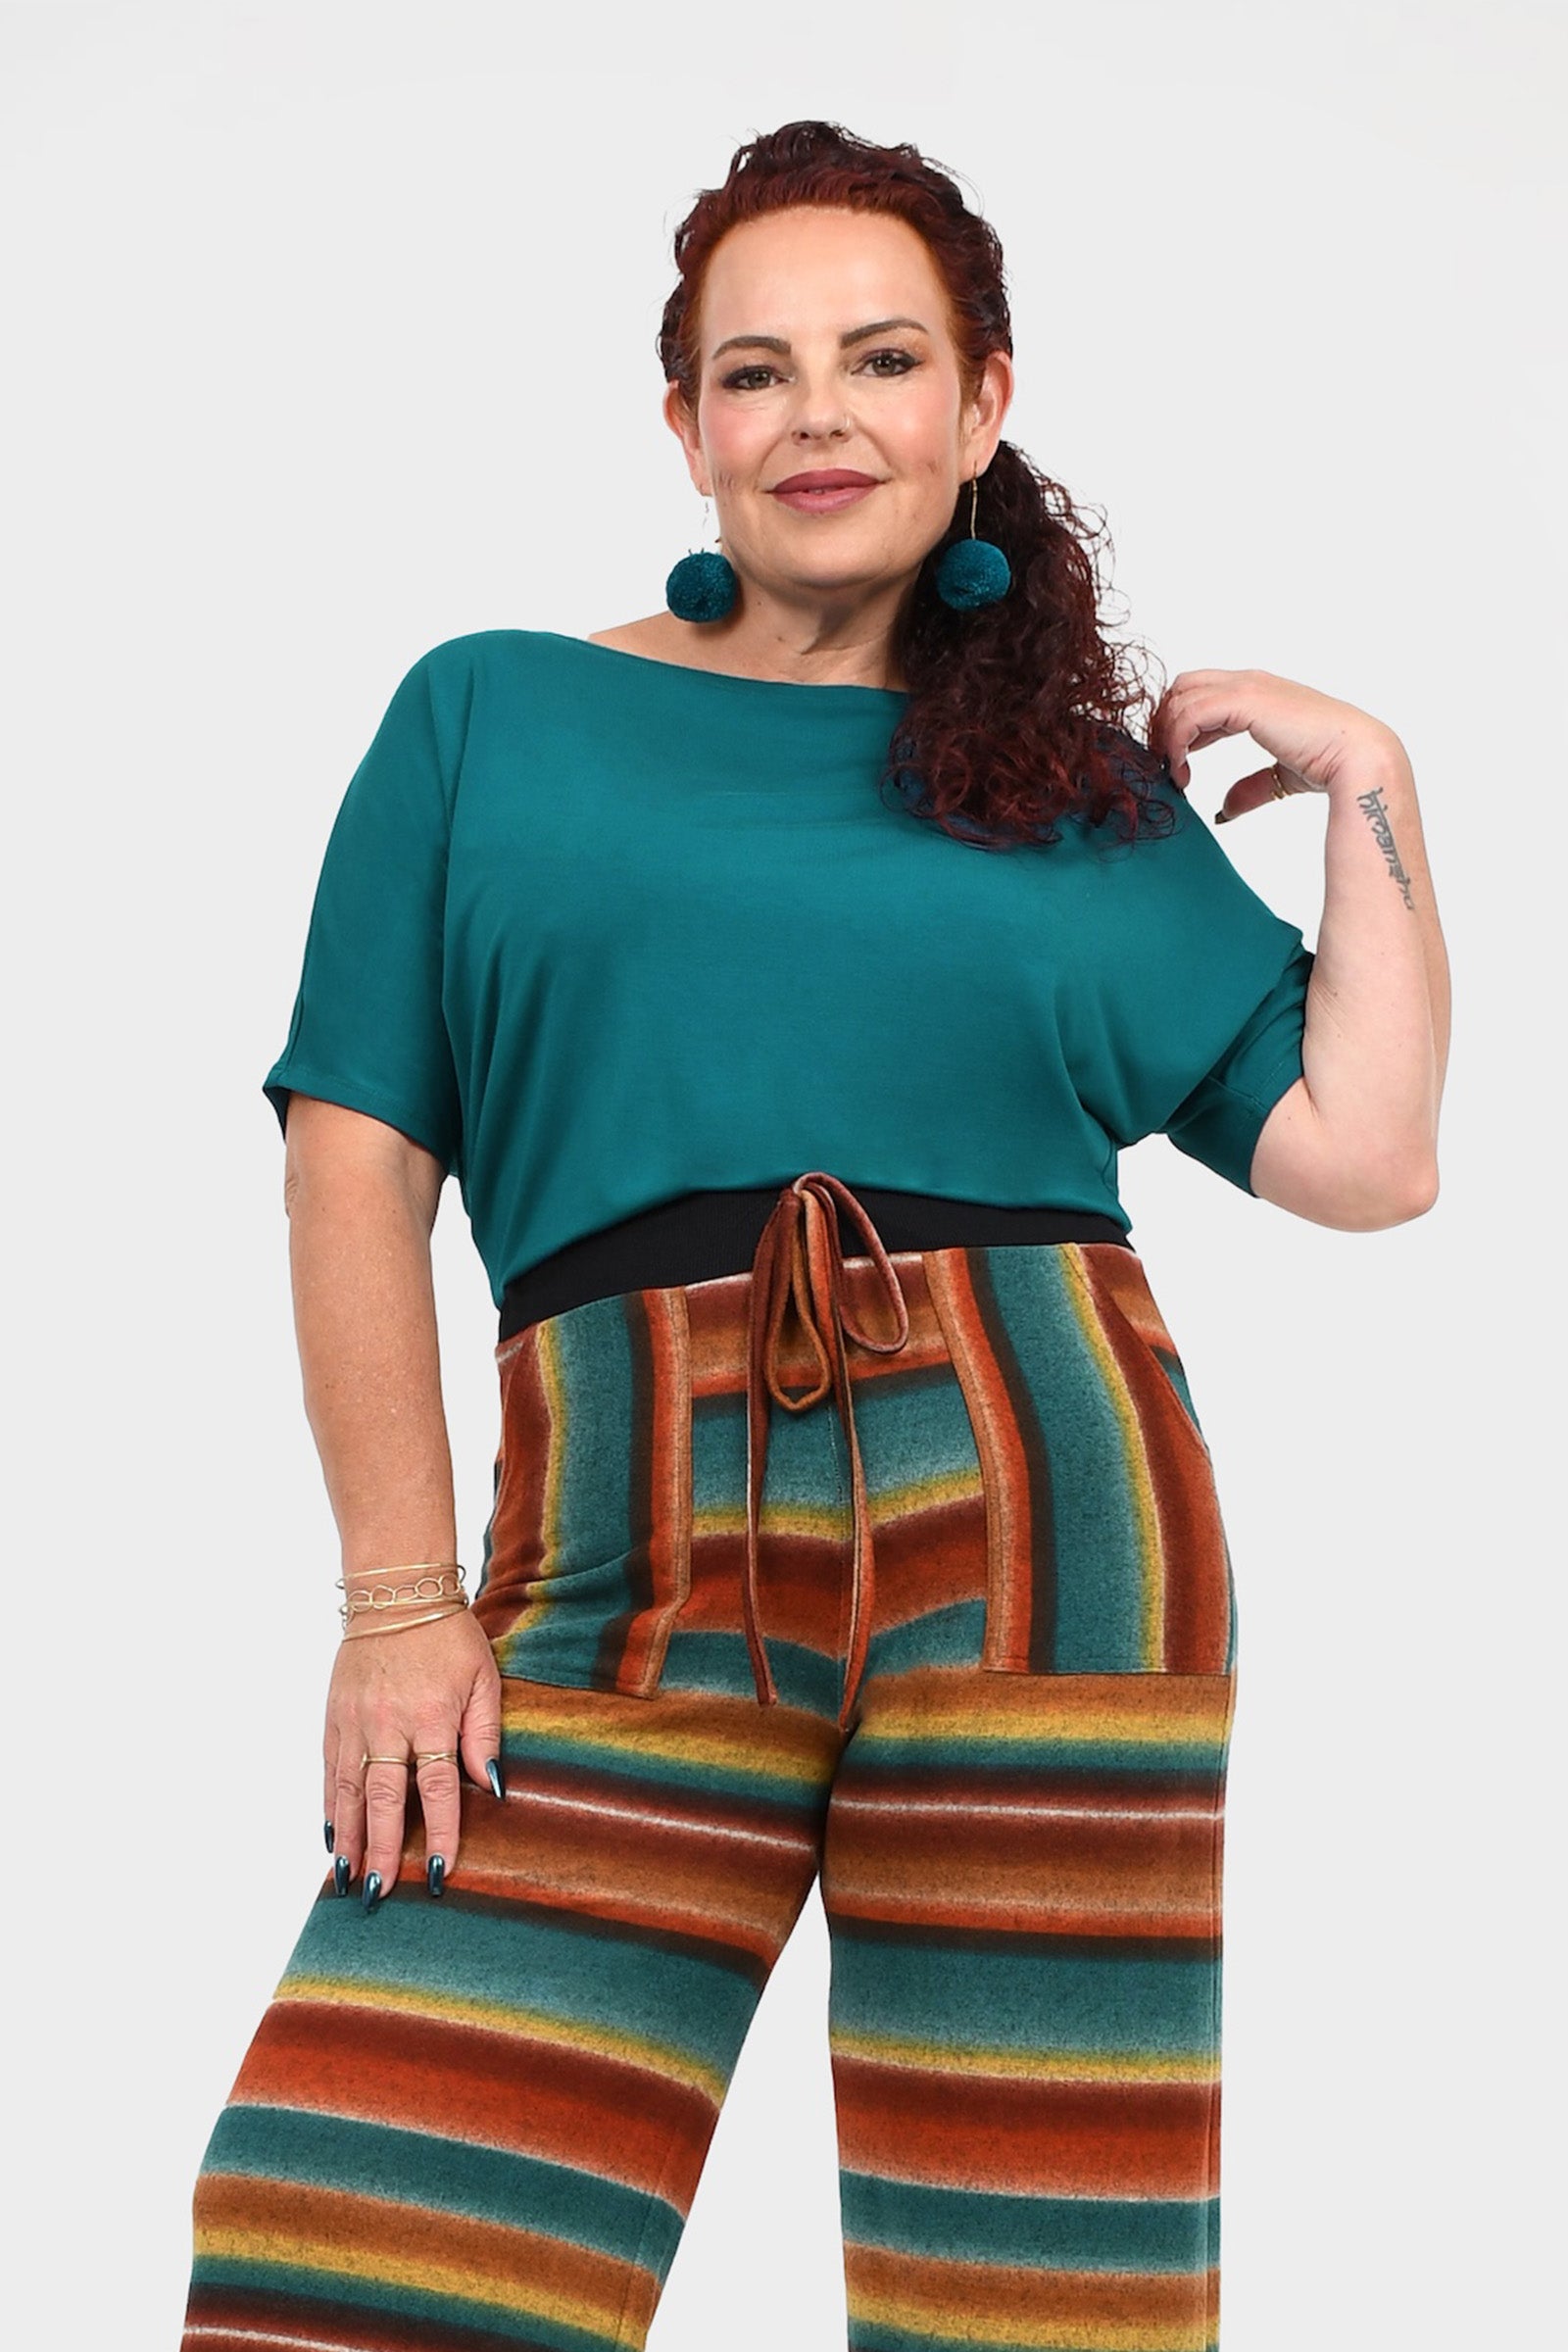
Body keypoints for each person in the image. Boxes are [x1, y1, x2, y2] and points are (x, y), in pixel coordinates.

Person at [179, 118, 1447, 2352]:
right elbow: (351, 1161)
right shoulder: (490, 716)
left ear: (981, 400)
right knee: (351, 2258)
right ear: (684, 427)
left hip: (1053, 1515)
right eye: (752, 372)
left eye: (881, 358)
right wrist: (397, 1599)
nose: (817, 416)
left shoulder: (1069, 794)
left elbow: (1364, 1150)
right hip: (624, 1538)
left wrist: (1371, 781)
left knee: (1034, 2303)